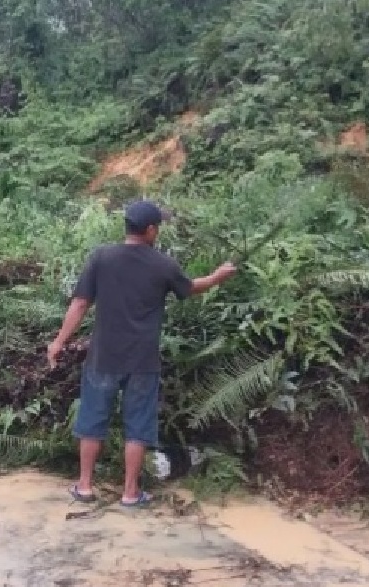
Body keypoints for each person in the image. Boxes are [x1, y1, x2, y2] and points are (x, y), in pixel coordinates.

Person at [46, 200, 239, 507]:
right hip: (142, 361)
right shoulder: (163, 264)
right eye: (157, 227)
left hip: (103, 358)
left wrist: (58, 342)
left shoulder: (101, 257)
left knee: (93, 421)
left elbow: (80, 304)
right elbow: (190, 289)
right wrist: (217, 277)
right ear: (150, 230)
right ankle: (130, 492)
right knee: (137, 427)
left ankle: (84, 486)